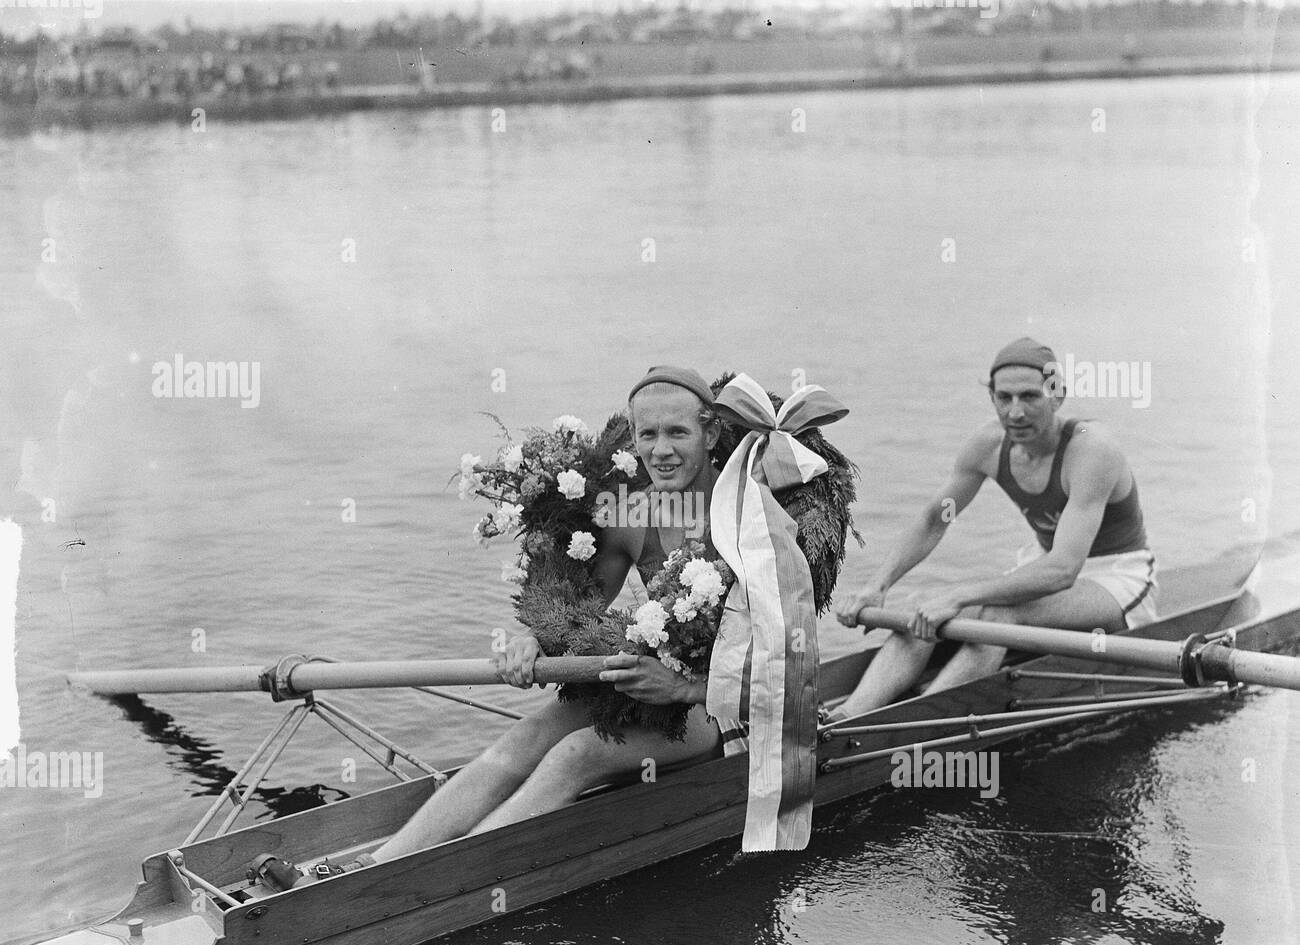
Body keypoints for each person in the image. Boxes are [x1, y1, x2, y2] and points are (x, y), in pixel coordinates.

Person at [254, 367, 728, 889]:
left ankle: (420, 888)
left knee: (575, 754)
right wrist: (534, 643)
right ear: (633, 439)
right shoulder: (629, 517)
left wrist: (685, 686)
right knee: (524, 739)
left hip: (717, 711)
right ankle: (372, 868)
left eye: (678, 433)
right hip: (643, 692)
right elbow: (578, 610)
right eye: (648, 434)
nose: (661, 449)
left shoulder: (746, 521)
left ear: (710, 434)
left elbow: (785, 667)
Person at [831, 337, 1157, 721]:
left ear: (1058, 395)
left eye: (1029, 397)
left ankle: (913, 725)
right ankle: (845, 718)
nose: (1015, 413)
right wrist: (878, 586)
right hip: (1048, 566)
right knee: (923, 604)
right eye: (1004, 398)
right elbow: (935, 520)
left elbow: (1063, 570)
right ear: (992, 398)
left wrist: (959, 595)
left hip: (1116, 577)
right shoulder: (988, 446)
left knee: (996, 617)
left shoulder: (1091, 449)